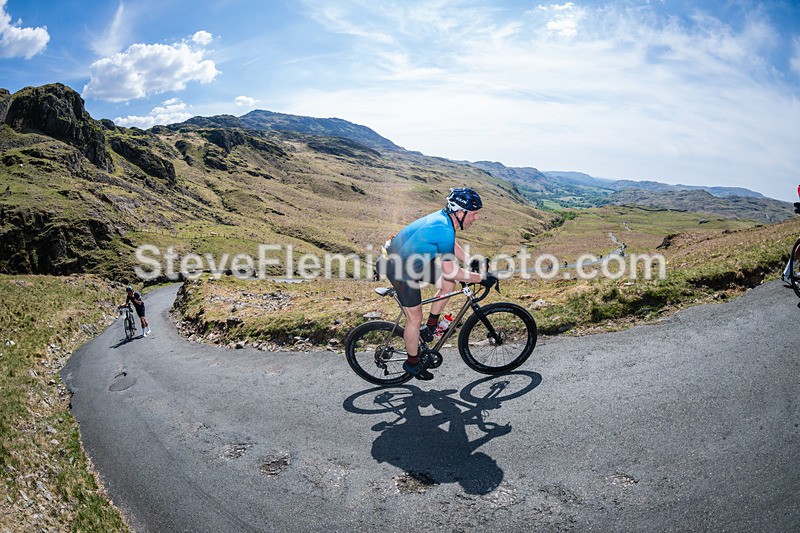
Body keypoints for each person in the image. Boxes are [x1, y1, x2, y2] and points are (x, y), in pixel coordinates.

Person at [381, 188, 497, 380]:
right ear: (460, 213)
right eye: (474, 213)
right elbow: (452, 269)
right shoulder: (443, 227)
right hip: (399, 269)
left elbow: (450, 244)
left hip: (409, 261)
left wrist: (470, 261)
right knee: (414, 319)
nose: (476, 218)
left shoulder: (445, 220)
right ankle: (412, 363)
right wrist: (481, 278)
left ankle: (431, 327)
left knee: (448, 284)